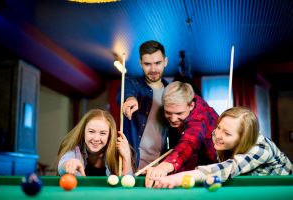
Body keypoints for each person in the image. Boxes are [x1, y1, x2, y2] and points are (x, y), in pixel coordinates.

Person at [151, 107, 293, 189]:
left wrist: (179, 178)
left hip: (283, 189)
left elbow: (229, 167)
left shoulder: (261, 148)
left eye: (227, 133)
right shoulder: (218, 137)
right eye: (219, 127)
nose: (217, 134)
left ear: (242, 138)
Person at [145, 81, 218, 187]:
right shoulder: (185, 103)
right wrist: (162, 168)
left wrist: (166, 165)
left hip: (215, 168)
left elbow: (189, 142)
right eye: (168, 113)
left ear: (191, 106)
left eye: (179, 113)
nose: (173, 119)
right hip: (198, 165)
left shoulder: (199, 117)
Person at [120, 40, 171, 170]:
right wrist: (130, 99)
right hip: (130, 163)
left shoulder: (171, 91)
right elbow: (126, 92)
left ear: (165, 61)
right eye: (147, 64)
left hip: (158, 165)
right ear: (140, 63)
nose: (153, 69)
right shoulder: (131, 83)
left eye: (158, 63)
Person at [57, 109, 134, 176]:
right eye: (91, 131)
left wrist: (126, 158)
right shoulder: (74, 148)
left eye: (103, 133)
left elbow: (127, 184)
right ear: (83, 131)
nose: (96, 138)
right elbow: (62, 166)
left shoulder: (118, 152)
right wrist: (67, 165)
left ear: (109, 135)